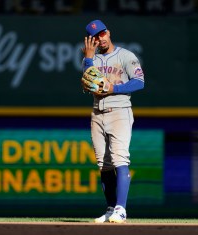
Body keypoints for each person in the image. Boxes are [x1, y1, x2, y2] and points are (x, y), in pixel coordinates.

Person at [81, 19, 145, 223]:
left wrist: (114, 88)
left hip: (119, 111)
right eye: (95, 37)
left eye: (102, 34)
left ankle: (121, 208)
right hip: (97, 113)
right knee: (104, 164)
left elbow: (139, 82)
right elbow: (87, 86)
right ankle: (110, 208)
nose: (100, 39)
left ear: (108, 32)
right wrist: (88, 59)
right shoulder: (91, 60)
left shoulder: (126, 56)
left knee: (120, 159)